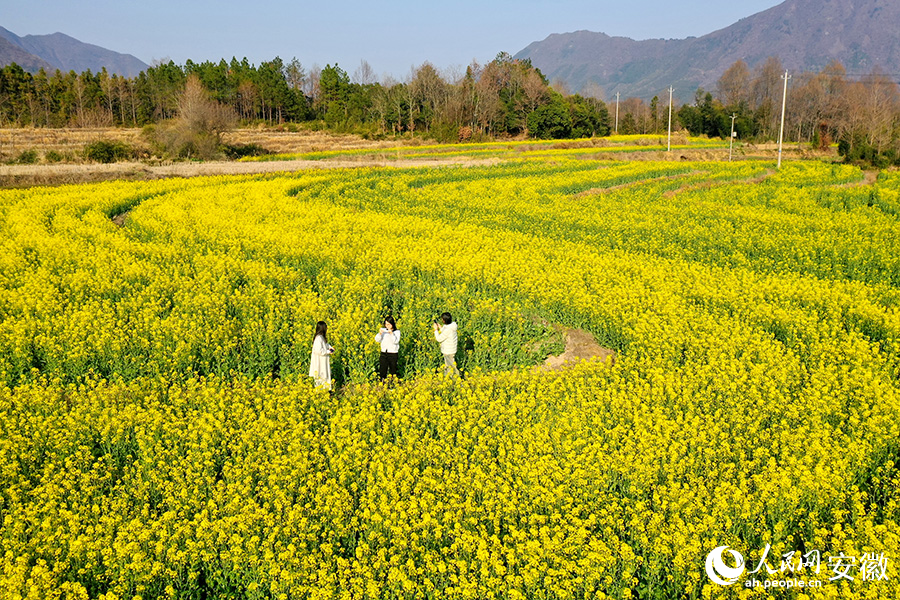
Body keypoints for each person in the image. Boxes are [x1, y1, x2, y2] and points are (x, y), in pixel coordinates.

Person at [309, 321, 335, 390]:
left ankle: (325, 392)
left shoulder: (321, 337)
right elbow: (319, 351)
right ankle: (321, 393)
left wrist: (330, 347)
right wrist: (328, 351)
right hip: (320, 362)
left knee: (324, 376)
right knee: (321, 377)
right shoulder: (318, 339)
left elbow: (325, 344)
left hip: (323, 361)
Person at [433, 312, 459, 377]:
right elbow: (447, 333)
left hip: (448, 351)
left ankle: (456, 378)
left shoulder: (447, 330)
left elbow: (439, 339)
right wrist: (440, 328)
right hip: (451, 349)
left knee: (451, 366)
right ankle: (448, 377)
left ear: (443, 321)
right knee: (449, 365)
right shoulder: (452, 326)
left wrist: (436, 330)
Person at [375, 316, 401, 381]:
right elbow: (377, 340)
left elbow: (395, 341)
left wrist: (391, 334)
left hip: (393, 353)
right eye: (386, 324)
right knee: (382, 369)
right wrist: (380, 334)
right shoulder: (384, 331)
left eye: (389, 324)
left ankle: (392, 384)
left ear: (392, 324)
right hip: (384, 352)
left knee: (393, 370)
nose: (387, 326)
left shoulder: (397, 332)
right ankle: (382, 384)